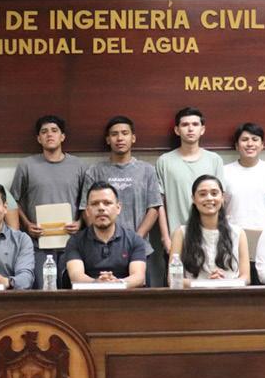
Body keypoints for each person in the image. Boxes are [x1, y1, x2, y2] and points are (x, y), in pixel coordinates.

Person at [81, 116, 164, 284]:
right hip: (101, 251)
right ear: (108, 140)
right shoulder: (94, 171)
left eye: (125, 133)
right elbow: (85, 208)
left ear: (133, 138)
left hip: (139, 250)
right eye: (114, 134)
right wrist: (100, 237)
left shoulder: (147, 170)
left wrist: (136, 239)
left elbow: (154, 208)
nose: (119, 138)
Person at [11, 115, 87, 289]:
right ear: (39, 138)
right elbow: (13, 200)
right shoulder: (26, 165)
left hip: (72, 243)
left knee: (71, 291)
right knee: (43, 291)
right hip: (38, 243)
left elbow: (87, 201)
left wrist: (80, 222)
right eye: (44, 132)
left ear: (63, 136)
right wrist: (27, 224)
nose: (49, 135)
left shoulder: (79, 166)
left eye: (54, 131)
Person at [221, 122, 265, 284]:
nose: (250, 144)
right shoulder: (224, 171)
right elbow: (219, 207)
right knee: (237, 286)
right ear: (237, 145)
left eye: (255, 139)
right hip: (233, 239)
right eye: (244, 140)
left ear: (262, 145)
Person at [155, 107, 224, 252]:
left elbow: (220, 200)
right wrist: (165, 238)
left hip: (209, 238)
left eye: (195, 124)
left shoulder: (214, 160)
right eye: (185, 125)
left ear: (202, 129)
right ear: (177, 130)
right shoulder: (164, 161)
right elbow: (159, 204)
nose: (190, 129)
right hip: (176, 239)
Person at [169, 175, 250, 287]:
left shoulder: (238, 233)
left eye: (214, 193)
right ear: (193, 199)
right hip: (194, 295)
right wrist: (207, 284)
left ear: (222, 197)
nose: (209, 198)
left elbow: (246, 278)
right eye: (202, 194)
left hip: (231, 293)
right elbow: (172, 279)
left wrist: (224, 283)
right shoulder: (181, 233)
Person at [65, 182, 149, 288]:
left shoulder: (134, 240)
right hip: (88, 296)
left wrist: (117, 284)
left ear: (118, 208)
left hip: (125, 295)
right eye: (95, 204)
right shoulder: (75, 241)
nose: (101, 208)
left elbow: (138, 277)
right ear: (87, 211)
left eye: (107, 203)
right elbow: (76, 276)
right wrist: (97, 284)